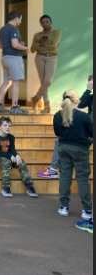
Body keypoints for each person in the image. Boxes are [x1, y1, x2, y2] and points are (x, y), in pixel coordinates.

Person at [37, 75, 93, 182]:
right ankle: (53, 169)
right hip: (87, 132)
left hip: (89, 133)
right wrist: (88, 90)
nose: (91, 84)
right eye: (90, 82)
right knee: (60, 141)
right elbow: (80, 105)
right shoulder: (90, 98)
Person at [54, 90, 93, 234]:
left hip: (64, 148)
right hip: (80, 149)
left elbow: (57, 133)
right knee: (82, 178)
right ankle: (87, 210)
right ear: (77, 101)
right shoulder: (84, 116)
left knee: (65, 176)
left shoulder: (58, 115)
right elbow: (92, 133)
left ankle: (64, 207)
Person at [0, 117, 39, 199]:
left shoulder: (11, 137)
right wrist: (10, 156)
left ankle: (29, 186)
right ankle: (6, 187)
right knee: (7, 161)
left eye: (9, 126)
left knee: (21, 162)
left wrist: (17, 155)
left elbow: (12, 150)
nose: (8, 127)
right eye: (5, 125)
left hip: (7, 156)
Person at [0, 11, 30, 115]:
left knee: (6, 82)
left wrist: (18, 43)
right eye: (20, 19)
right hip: (14, 58)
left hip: (4, 57)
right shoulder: (14, 29)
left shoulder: (2, 29)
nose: (20, 21)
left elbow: (0, 45)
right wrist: (25, 48)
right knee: (16, 82)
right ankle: (14, 107)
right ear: (16, 19)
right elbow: (15, 45)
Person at [30, 15, 62, 113]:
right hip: (39, 57)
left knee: (47, 81)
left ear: (50, 22)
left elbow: (54, 46)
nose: (45, 24)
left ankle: (36, 98)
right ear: (40, 23)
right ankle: (47, 105)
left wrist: (40, 46)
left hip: (52, 57)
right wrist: (40, 42)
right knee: (43, 81)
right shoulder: (37, 35)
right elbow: (32, 49)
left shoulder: (56, 32)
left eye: (47, 22)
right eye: (43, 22)